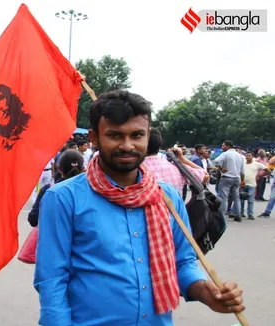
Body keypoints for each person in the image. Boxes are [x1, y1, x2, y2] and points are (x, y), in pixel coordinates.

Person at [34, 90, 244, 325]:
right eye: (114, 135)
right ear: (94, 137)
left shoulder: (167, 198)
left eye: (137, 135)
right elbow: (52, 278)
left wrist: (206, 292)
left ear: (148, 136)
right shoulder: (63, 198)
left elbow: (183, 262)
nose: (127, 145)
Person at [28, 149, 83, 227]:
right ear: (83, 169)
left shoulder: (48, 190)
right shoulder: (91, 191)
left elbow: (33, 220)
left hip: (54, 237)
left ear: (59, 168)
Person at [214, 140, 245, 222]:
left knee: (223, 197)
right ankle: (238, 215)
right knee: (236, 197)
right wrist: (242, 180)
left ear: (228, 146)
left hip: (227, 177)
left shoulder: (225, 154)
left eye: (223, 146)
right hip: (237, 178)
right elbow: (242, 171)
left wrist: (221, 168)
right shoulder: (240, 156)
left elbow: (216, 161)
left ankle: (222, 215)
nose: (222, 147)